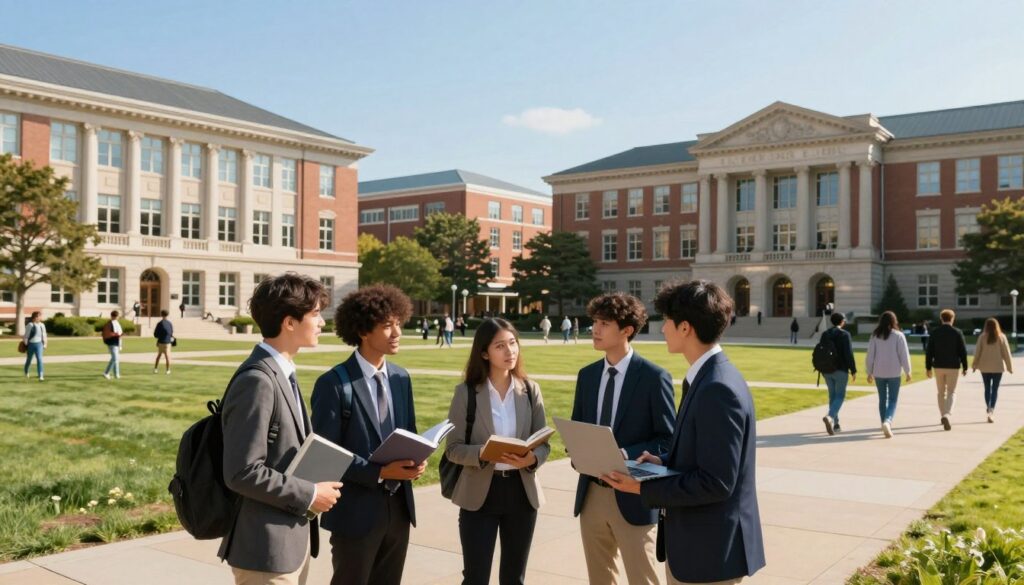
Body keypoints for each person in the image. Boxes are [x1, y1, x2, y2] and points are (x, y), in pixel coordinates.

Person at [602, 280, 765, 585]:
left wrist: (641, 488)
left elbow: (716, 482)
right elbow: (706, 456)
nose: (662, 329)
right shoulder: (709, 376)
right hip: (700, 549)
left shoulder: (717, 387)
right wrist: (663, 462)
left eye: (666, 322)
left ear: (686, 328)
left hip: (709, 554)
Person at [218, 273, 342, 585]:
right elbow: (242, 471)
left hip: (288, 545)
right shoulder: (257, 381)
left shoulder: (282, 373)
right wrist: (310, 492)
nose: (322, 323)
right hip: (265, 552)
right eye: (315, 314)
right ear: (289, 322)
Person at [311, 285, 425, 585]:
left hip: (399, 511)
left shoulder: (401, 377)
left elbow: (409, 432)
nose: (397, 332)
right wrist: (378, 471)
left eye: (398, 322)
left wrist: (417, 459)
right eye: (387, 325)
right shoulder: (333, 384)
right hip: (355, 514)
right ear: (363, 331)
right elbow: (325, 455)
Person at [570, 293, 675, 585]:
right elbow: (579, 427)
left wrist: (625, 453)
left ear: (627, 330)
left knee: (643, 579)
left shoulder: (655, 377)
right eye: (595, 322)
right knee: (600, 579)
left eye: (604, 323)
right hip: (591, 494)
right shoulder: (587, 375)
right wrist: (577, 449)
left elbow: (668, 440)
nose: (596, 329)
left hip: (634, 496)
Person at [444, 318, 551, 585]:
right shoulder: (466, 393)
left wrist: (533, 458)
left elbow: (544, 443)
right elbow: (453, 450)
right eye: (500, 346)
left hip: (521, 494)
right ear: (484, 352)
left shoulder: (530, 390)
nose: (510, 351)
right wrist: (482, 453)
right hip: (480, 494)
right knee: (476, 577)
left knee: (514, 578)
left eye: (513, 343)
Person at [865, 311, 912, 438]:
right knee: (892, 400)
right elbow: (904, 355)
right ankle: (888, 421)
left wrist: (869, 372)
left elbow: (870, 356)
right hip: (894, 372)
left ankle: (883, 422)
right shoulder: (898, 335)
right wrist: (908, 371)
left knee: (882, 399)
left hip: (878, 372)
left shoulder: (875, 336)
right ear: (894, 321)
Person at [925, 309, 967, 431]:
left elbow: (929, 352)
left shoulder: (935, 332)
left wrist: (928, 367)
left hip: (938, 366)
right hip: (953, 366)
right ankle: (947, 415)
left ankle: (943, 415)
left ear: (941, 319)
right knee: (952, 392)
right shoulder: (957, 332)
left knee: (940, 392)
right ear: (952, 318)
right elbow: (962, 351)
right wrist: (965, 366)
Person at [972, 318, 1014, 423]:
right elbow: (1006, 353)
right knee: (995, 389)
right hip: (998, 367)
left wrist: (974, 365)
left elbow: (977, 352)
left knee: (987, 388)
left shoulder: (982, 337)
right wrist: (1009, 367)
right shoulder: (1002, 337)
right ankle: (991, 410)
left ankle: (989, 408)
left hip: (984, 367)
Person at [820, 312, 856, 435]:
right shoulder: (845, 335)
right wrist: (853, 370)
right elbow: (848, 354)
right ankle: (830, 417)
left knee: (832, 396)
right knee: (840, 396)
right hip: (841, 369)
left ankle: (835, 424)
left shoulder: (825, 334)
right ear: (841, 321)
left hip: (826, 370)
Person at [23, 311, 47, 381]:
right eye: (39, 316)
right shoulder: (30, 325)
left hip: (39, 344)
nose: (40, 318)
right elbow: (26, 336)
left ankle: (41, 376)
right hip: (31, 345)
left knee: (39, 359)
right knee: (29, 360)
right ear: (35, 317)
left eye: (40, 316)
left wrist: (45, 344)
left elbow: (44, 335)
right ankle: (26, 372)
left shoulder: (42, 325)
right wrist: (26, 344)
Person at [102, 310, 123, 380]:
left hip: (116, 343)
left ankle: (114, 374)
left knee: (115, 359)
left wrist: (120, 344)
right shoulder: (110, 324)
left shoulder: (116, 323)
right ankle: (108, 373)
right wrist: (115, 334)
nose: (116, 317)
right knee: (115, 358)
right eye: (116, 316)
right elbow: (107, 334)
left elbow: (120, 334)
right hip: (112, 343)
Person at [153, 309, 174, 375]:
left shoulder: (159, 324)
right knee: (167, 356)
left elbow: (155, 334)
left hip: (161, 342)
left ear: (161, 315)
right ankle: (168, 370)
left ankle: (156, 368)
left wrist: (159, 338)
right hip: (167, 342)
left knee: (159, 355)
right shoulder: (169, 323)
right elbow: (171, 332)